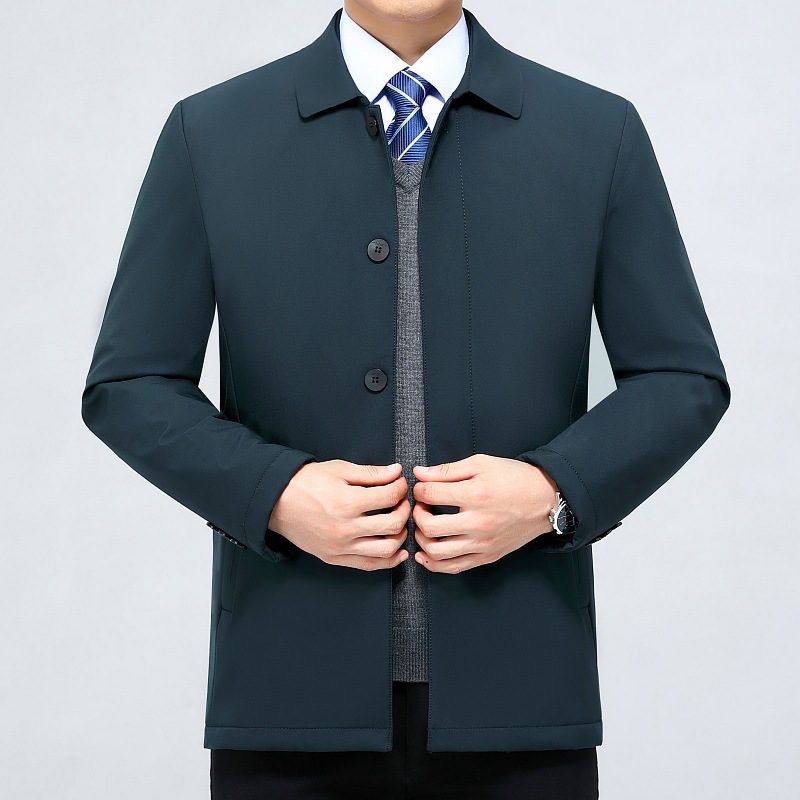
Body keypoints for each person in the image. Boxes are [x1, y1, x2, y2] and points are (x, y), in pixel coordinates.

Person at [81, 2, 731, 797]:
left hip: (522, 704)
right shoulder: (212, 133)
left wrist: (552, 491)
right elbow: (130, 383)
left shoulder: (596, 132)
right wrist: (273, 493)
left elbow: (680, 375)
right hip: (288, 703)